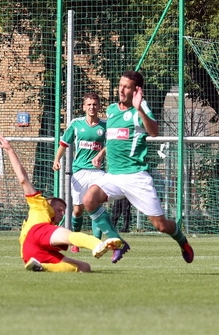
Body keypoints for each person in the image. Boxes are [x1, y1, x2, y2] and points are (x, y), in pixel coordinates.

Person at [82, 70, 194, 264]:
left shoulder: (140, 109)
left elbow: (155, 132)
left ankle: (182, 240)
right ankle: (116, 241)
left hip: (136, 176)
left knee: (160, 225)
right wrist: (101, 154)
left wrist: (140, 109)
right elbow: (116, 140)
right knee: (89, 199)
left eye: (126, 87)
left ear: (136, 90)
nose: (121, 90)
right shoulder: (111, 110)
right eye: (120, 85)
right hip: (114, 176)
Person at [0, 134, 123, 272]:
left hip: (30, 255)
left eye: (64, 211)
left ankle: (40, 266)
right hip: (36, 233)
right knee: (70, 235)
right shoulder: (40, 205)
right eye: (60, 209)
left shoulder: (48, 224)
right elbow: (23, 179)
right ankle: (97, 244)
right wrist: (10, 150)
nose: (62, 213)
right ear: (50, 203)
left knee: (84, 268)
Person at [53, 92, 107, 253]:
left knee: (96, 206)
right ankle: (76, 240)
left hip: (97, 172)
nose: (92, 107)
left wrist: (101, 154)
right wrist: (57, 160)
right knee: (78, 209)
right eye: (89, 104)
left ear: (98, 106)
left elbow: (111, 143)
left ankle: (96, 242)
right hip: (79, 171)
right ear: (84, 107)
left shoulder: (105, 125)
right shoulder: (76, 124)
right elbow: (64, 143)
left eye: (95, 104)